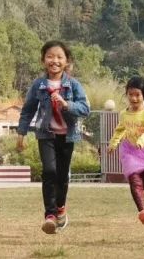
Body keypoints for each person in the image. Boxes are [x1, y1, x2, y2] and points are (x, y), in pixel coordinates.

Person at [16, 40, 90, 234]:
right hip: (45, 134)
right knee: (49, 172)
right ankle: (49, 215)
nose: (54, 60)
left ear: (66, 62)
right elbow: (28, 110)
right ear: (43, 60)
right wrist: (21, 133)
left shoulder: (73, 85)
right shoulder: (38, 85)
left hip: (67, 136)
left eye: (59, 57)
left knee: (62, 176)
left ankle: (60, 208)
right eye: (50, 56)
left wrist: (67, 104)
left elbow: (85, 109)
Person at [107, 76, 144, 225]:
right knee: (133, 178)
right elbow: (120, 130)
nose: (134, 98)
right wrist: (113, 144)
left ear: (143, 95)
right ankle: (142, 210)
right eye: (131, 94)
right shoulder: (124, 114)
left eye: (137, 94)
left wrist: (141, 141)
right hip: (130, 150)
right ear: (127, 95)